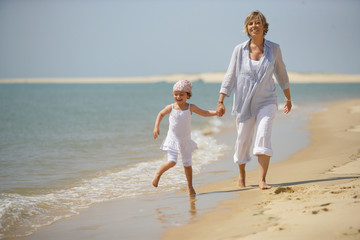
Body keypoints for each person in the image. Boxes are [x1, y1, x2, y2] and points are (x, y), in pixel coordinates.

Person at [216, 10, 292, 190]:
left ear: (264, 27)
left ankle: (262, 180)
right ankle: (241, 176)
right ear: (247, 28)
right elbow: (230, 75)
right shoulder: (239, 50)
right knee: (242, 140)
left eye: (257, 23)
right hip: (244, 102)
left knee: (263, 135)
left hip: (267, 100)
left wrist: (288, 98)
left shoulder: (274, 49)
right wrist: (221, 100)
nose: (254, 26)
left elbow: (281, 73)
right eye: (250, 23)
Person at [152, 79, 217, 195]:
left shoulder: (190, 107)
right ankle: (158, 174)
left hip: (185, 141)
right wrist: (156, 127)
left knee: (187, 164)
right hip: (173, 140)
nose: (178, 97)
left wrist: (216, 113)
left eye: (181, 94)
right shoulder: (171, 107)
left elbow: (205, 113)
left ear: (188, 95)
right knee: (172, 162)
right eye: (175, 94)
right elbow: (160, 114)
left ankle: (190, 187)